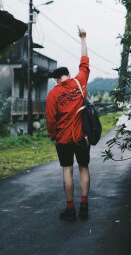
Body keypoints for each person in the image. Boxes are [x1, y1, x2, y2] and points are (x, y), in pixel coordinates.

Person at [46, 27, 90, 221]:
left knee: (67, 170)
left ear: (56, 79)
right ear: (68, 74)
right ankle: (84, 205)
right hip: (82, 136)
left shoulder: (53, 93)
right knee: (84, 168)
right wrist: (83, 38)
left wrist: (52, 136)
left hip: (63, 139)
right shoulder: (80, 81)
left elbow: (50, 119)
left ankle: (70, 208)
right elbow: (84, 61)